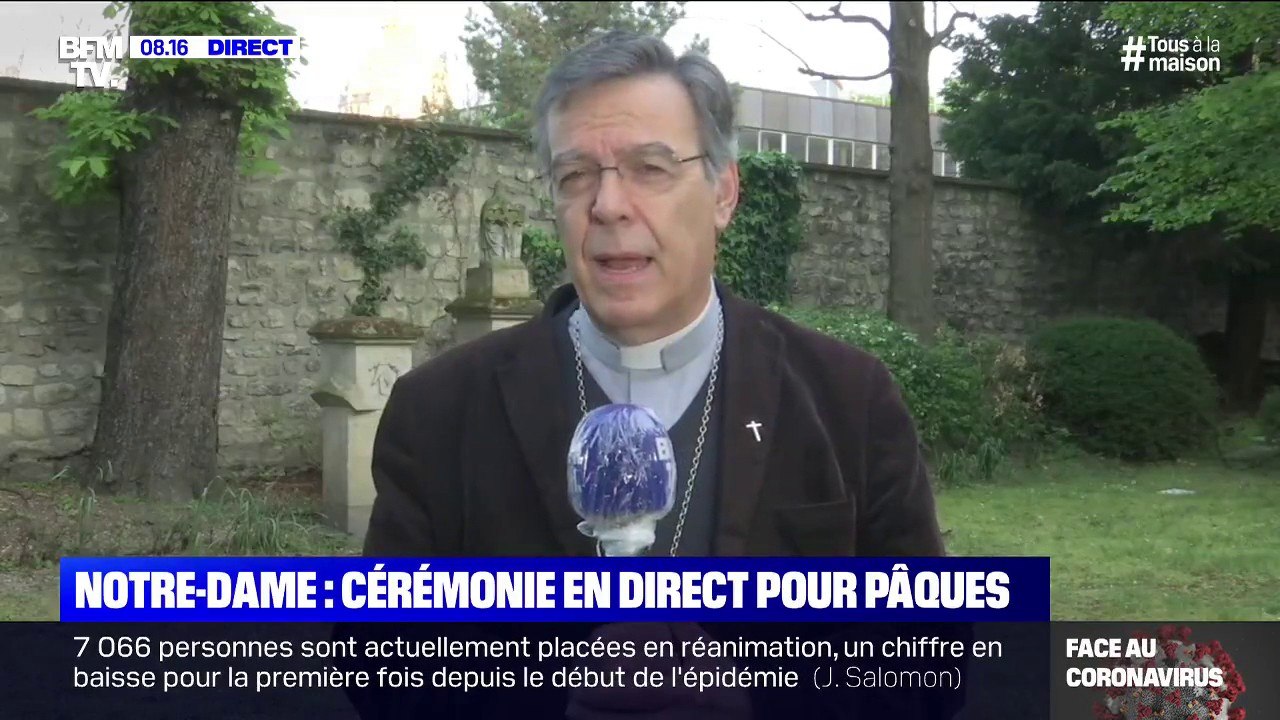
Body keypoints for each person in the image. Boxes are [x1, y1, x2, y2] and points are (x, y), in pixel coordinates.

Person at [348, 29, 961, 720]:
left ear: (724, 192)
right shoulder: (439, 410)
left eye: (650, 168)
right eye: (576, 175)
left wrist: (752, 700)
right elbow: (383, 674)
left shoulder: (848, 398)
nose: (607, 205)